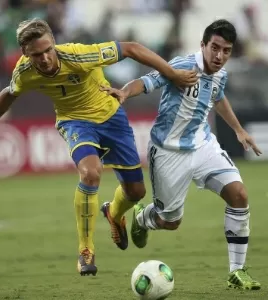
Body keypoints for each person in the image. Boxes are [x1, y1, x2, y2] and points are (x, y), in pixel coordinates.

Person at [0, 19, 198, 276]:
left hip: (111, 116)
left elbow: (132, 48)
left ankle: (113, 213)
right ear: (25, 54)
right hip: (74, 122)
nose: (44, 58)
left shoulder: (80, 55)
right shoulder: (24, 72)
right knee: (90, 173)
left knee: (135, 192)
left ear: (54, 44)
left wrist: (172, 73)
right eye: (36, 54)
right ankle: (86, 251)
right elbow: (9, 93)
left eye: (48, 50)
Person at [100, 19, 262, 289]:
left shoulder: (221, 73)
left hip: (203, 146)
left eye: (226, 50)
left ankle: (237, 270)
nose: (219, 56)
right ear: (203, 45)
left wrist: (237, 129)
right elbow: (148, 80)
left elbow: (218, 96)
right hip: (168, 152)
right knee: (169, 221)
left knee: (239, 194)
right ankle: (141, 218)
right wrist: (125, 92)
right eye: (215, 47)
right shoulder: (183, 66)